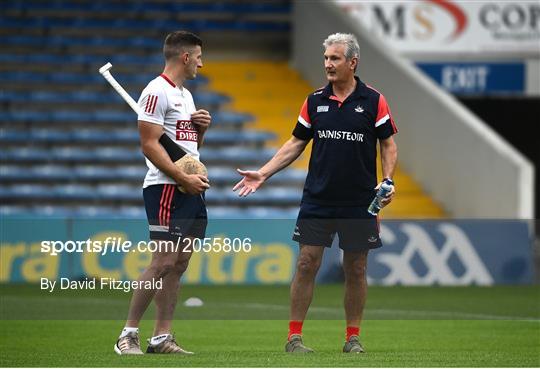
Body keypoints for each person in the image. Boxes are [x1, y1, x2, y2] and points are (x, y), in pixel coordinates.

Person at [233, 33, 398, 354]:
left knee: (357, 268)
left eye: (335, 59)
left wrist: (387, 179)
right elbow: (296, 142)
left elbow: (387, 143)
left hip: (360, 201)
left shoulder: (374, 100)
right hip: (318, 199)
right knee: (307, 263)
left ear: (353, 62)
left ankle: (353, 338)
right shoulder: (314, 101)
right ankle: (294, 337)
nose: (328, 64)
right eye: (326, 59)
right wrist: (264, 172)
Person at [114, 30, 211, 355]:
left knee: (179, 263)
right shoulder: (156, 92)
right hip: (166, 188)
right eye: (198, 56)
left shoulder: (185, 95)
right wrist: (181, 178)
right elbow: (149, 144)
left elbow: (187, 151)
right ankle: (127, 335)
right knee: (163, 261)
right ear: (185, 57)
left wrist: (200, 132)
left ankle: (161, 338)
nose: (201, 62)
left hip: (188, 188)